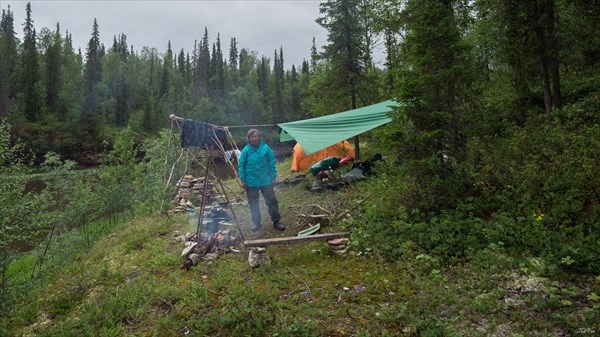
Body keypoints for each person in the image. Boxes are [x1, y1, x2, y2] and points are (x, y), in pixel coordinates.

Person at [238, 129, 286, 231]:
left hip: (266, 180)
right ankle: (257, 223)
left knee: (271, 201)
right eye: (252, 137)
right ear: (249, 139)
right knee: (253, 203)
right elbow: (241, 166)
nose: (254, 138)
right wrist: (243, 180)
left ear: (259, 137)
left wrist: (273, 177)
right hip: (251, 181)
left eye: (256, 136)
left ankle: (276, 221)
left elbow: (271, 162)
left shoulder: (265, 148)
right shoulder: (246, 150)